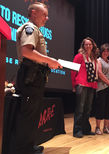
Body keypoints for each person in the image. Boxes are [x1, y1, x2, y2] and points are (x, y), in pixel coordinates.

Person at [9, 2, 62, 154]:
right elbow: (27, 52)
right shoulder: (29, 28)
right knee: (27, 114)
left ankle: (29, 146)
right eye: (44, 14)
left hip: (35, 77)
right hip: (30, 77)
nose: (47, 18)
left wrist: (48, 63)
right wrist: (50, 61)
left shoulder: (36, 30)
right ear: (33, 13)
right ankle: (23, 150)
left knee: (32, 114)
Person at [71, 37, 98, 138]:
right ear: (83, 46)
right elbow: (73, 71)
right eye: (86, 44)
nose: (88, 46)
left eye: (90, 44)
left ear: (93, 46)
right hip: (81, 84)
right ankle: (77, 130)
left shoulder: (93, 58)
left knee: (88, 109)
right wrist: (74, 85)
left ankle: (86, 129)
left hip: (91, 85)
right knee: (80, 108)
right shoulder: (79, 56)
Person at [94, 43, 109, 135]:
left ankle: (105, 127)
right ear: (101, 52)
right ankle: (97, 128)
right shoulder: (99, 60)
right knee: (100, 107)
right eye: (104, 51)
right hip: (102, 87)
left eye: (107, 51)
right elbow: (100, 73)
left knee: (108, 108)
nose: (106, 53)